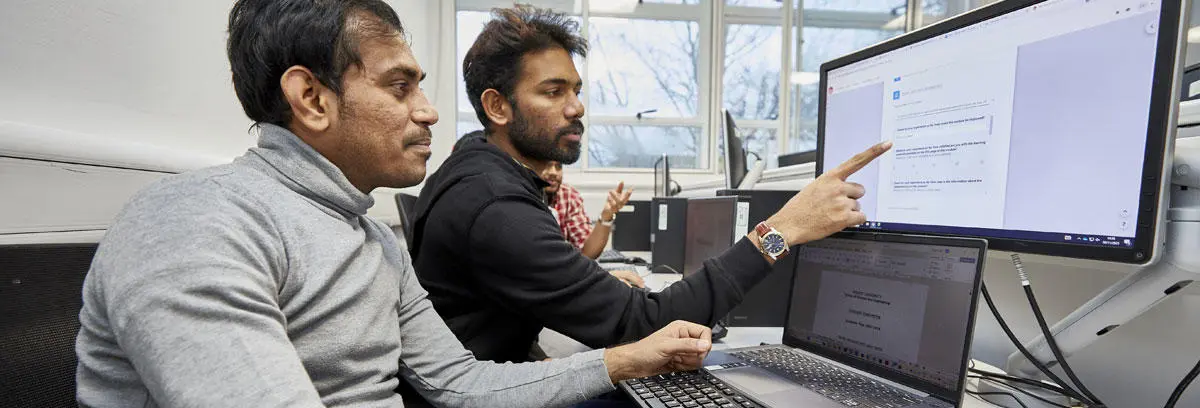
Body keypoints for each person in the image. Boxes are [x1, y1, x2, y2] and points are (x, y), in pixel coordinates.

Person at [74, 1, 715, 407]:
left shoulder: (371, 239)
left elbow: (460, 385)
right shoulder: (196, 223)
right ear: (311, 98)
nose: (429, 111)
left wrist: (631, 358)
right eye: (399, 86)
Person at [409, 5, 891, 366]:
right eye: (553, 92)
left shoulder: (480, 173)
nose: (576, 107)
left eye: (576, 90)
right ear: (498, 107)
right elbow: (643, 324)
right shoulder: (495, 205)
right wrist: (781, 229)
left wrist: (589, 283)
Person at [540, 161, 631, 260]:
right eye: (547, 164)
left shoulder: (568, 195)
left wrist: (606, 215)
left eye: (558, 166)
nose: (554, 172)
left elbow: (587, 253)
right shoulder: (524, 194)